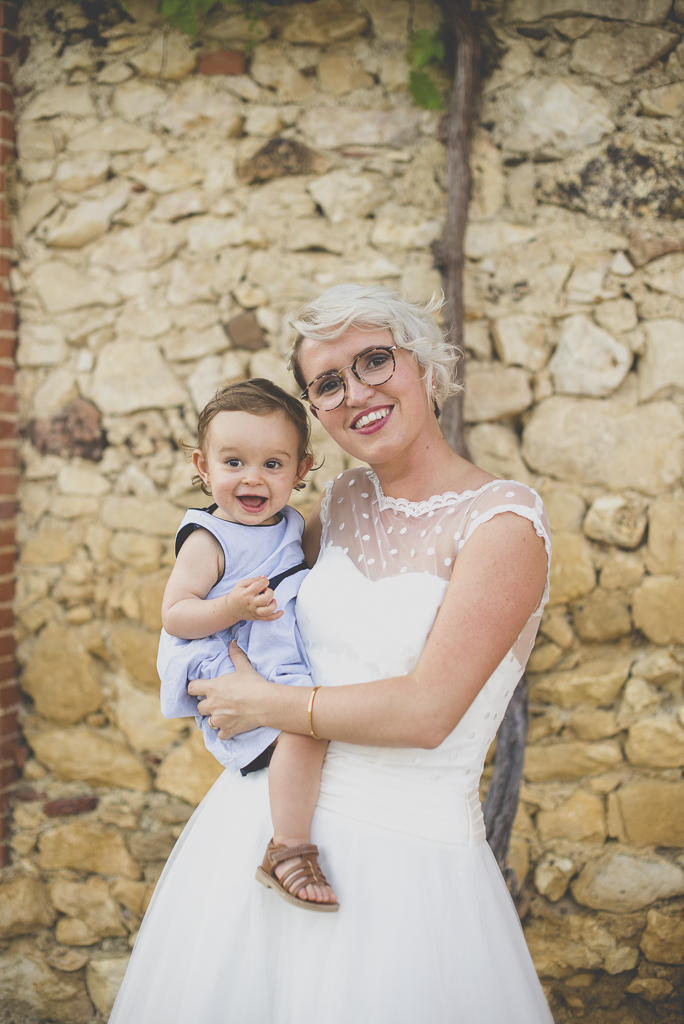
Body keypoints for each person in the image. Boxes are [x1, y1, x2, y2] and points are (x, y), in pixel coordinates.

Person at [110, 285, 554, 1024]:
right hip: (262, 826)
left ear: (428, 369)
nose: (356, 393)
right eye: (328, 383)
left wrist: (270, 704)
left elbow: (428, 711)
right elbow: (252, 600)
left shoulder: (502, 523)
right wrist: (209, 669)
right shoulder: (338, 503)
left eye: (375, 361)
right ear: (316, 415)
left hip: (406, 863)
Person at [158, 378, 338, 907]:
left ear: (302, 469)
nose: (252, 478)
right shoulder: (209, 538)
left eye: (273, 465)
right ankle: (288, 848)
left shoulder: (289, 524)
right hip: (221, 657)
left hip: (268, 654)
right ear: (202, 466)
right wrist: (230, 608)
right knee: (305, 730)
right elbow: (175, 614)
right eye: (232, 462)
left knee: (308, 726)